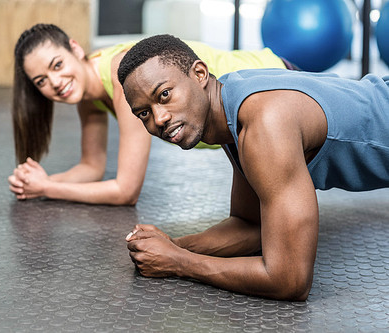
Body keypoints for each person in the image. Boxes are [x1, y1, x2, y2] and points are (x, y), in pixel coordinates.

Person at [118, 34, 389, 300]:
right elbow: (249, 226)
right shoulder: (229, 106)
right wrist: (172, 245)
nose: (159, 118)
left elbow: (290, 279)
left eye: (164, 94)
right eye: (144, 113)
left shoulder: (265, 123)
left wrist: (179, 262)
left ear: (199, 74)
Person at [7, 23, 294, 205]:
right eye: (41, 81)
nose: (55, 82)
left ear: (75, 48)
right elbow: (92, 167)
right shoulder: (87, 92)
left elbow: (125, 191)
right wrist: (41, 181)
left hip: (275, 86)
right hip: (244, 121)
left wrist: (47, 189)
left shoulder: (122, 80)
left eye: (57, 65)